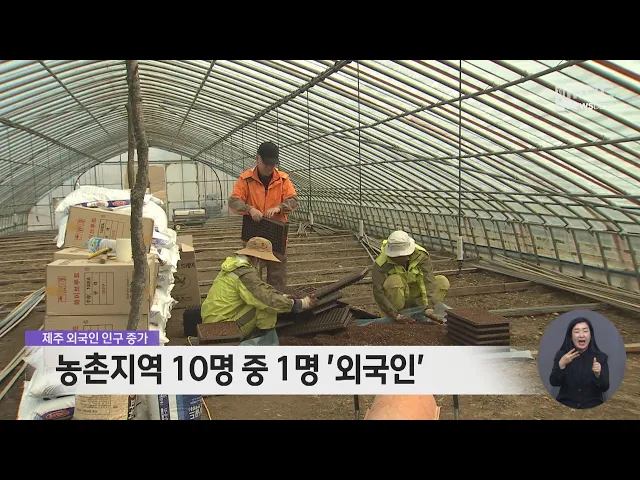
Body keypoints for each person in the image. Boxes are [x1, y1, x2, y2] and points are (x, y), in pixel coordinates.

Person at [200, 237, 316, 340]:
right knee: (266, 308)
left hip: (213, 319)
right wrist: (300, 304)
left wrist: (283, 296)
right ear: (258, 257)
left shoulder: (235, 266)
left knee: (262, 302)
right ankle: (266, 342)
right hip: (222, 327)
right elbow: (265, 299)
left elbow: (260, 287)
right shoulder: (245, 273)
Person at [229, 141, 298, 292]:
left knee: (277, 277)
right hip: (253, 237)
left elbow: (293, 200)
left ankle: (277, 303)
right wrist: (249, 209)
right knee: (252, 276)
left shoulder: (283, 179)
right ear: (257, 158)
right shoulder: (246, 179)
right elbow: (234, 201)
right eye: (266, 163)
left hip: (276, 235)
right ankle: (253, 302)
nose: (269, 167)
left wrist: (279, 208)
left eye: (272, 164)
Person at [372, 230, 450, 324]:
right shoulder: (381, 263)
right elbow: (378, 291)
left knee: (442, 282)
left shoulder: (421, 255)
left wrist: (429, 307)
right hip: (397, 299)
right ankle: (399, 316)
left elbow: (428, 281)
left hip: (417, 297)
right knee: (394, 281)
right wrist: (393, 314)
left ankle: (424, 312)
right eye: (398, 257)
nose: (405, 258)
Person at [548, 317, 610, 409]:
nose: (581, 335)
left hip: (592, 406)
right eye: (576, 332)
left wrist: (598, 374)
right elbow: (554, 382)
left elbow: (605, 387)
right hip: (566, 405)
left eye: (585, 331)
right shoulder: (562, 355)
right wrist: (561, 365)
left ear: (590, 334)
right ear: (571, 336)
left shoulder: (601, 357)